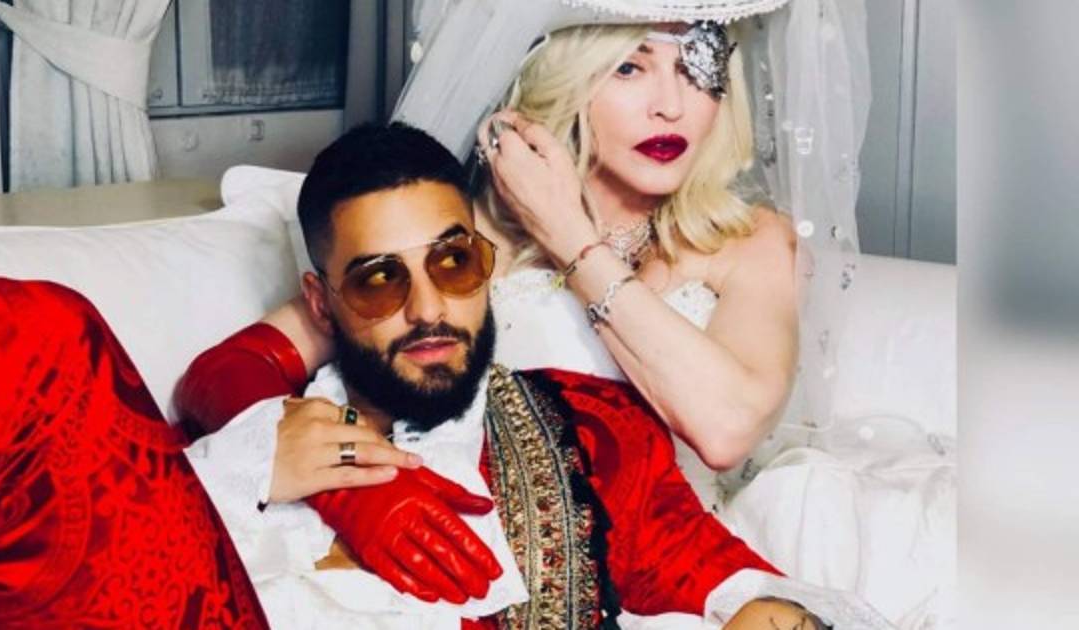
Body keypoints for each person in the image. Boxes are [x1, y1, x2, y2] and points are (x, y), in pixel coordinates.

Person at [185, 121, 887, 629]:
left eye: (453, 262)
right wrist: (338, 482)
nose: (428, 309)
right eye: (378, 279)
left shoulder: (593, 431)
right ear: (320, 303)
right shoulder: (244, 449)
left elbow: (739, 588)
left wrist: (768, 613)